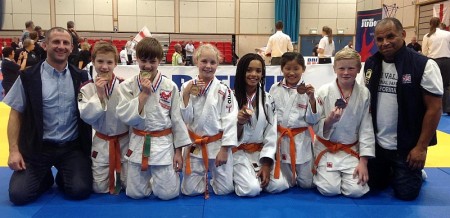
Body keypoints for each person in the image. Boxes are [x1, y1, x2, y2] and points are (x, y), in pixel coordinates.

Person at [4, 27, 93, 205]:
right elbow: (15, 114)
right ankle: (44, 178)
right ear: (45, 45)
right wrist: (14, 151)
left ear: (72, 47)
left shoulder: (81, 76)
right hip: (37, 148)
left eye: (66, 43)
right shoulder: (28, 77)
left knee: (80, 190)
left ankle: (65, 174)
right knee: (19, 196)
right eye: (56, 42)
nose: (61, 46)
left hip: (71, 148)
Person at [365, 18, 443, 200]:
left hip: (407, 147)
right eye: (379, 39)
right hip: (378, 145)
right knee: (371, 185)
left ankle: (413, 172)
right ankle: (394, 171)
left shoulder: (424, 65)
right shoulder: (371, 64)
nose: (385, 43)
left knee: (406, 194)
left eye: (390, 36)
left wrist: (421, 148)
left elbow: (434, 108)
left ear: (403, 34)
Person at [116, 37, 191, 200]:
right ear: (136, 58)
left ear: (160, 60)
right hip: (138, 141)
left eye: (152, 61)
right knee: (135, 194)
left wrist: (178, 152)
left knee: (168, 194)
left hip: (163, 144)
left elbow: (177, 120)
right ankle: (148, 181)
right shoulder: (127, 86)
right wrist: (143, 93)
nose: (148, 66)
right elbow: (125, 116)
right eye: (143, 60)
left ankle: (162, 179)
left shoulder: (169, 86)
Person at [312, 48, 375, 197]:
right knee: (329, 190)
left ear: (359, 69)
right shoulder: (324, 91)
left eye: (351, 68)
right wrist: (329, 121)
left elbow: (366, 128)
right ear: (334, 69)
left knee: (356, 191)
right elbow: (315, 124)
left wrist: (364, 162)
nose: (346, 72)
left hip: (350, 150)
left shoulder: (364, 94)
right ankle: (319, 172)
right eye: (341, 68)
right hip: (326, 147)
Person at [180, 44, 238, 199]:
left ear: (218, 64)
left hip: (217, 145)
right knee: (189, 191)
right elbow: (184, 119)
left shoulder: (224, 90)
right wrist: (186, 94)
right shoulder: (187, 86)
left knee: (225, 190)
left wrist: (225, 149)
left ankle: (212, 179)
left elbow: (231, 120)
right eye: (204, 61)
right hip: (196, 145)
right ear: (196, 61)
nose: (208, 66)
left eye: (213, 62)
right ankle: (203, 177)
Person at [232, 53, 289, 197]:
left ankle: (254, 172)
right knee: (252, 189)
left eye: (258, 71)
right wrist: (239, 123)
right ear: (241, 72)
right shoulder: (231, 97)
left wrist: (266, 164)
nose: (254, 74)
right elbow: (225, 133)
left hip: (260, 152)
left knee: (280, 185)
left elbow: (271, 132)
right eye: (249, 70)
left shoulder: (268, 99)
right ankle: (235, 177)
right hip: (238, 152)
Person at [78, 42, 129, 195]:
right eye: (100, 61)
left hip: (124, 141)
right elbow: (86, 116)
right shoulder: (86, 88)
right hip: (101, 141)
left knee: (128, 185)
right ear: (93, 62)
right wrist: (99, 94)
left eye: (109, 62)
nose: (104, 66)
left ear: (116, 63)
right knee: (99, 188)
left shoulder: (125, 86)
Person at [269, 52, 318, 189]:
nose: (291, 73)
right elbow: (271, 116)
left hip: (301, 139)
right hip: (282, 138)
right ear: (282, 69)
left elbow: (313, 120)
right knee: (285, 183)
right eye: (287, 68)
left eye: (296, 68)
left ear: (303, 69)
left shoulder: (309, 91)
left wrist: (312, 99)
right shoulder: (275, 89)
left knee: (307, 184)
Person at [422, 17, 450, 115]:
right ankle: (447, 109)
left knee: (432, 85)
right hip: (447, 61)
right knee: (446, 86)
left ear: (430, 24)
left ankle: (431, 106)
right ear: (439, 23)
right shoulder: (447, 34)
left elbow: (424, 52)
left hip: (433, 62)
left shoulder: (427, 36)